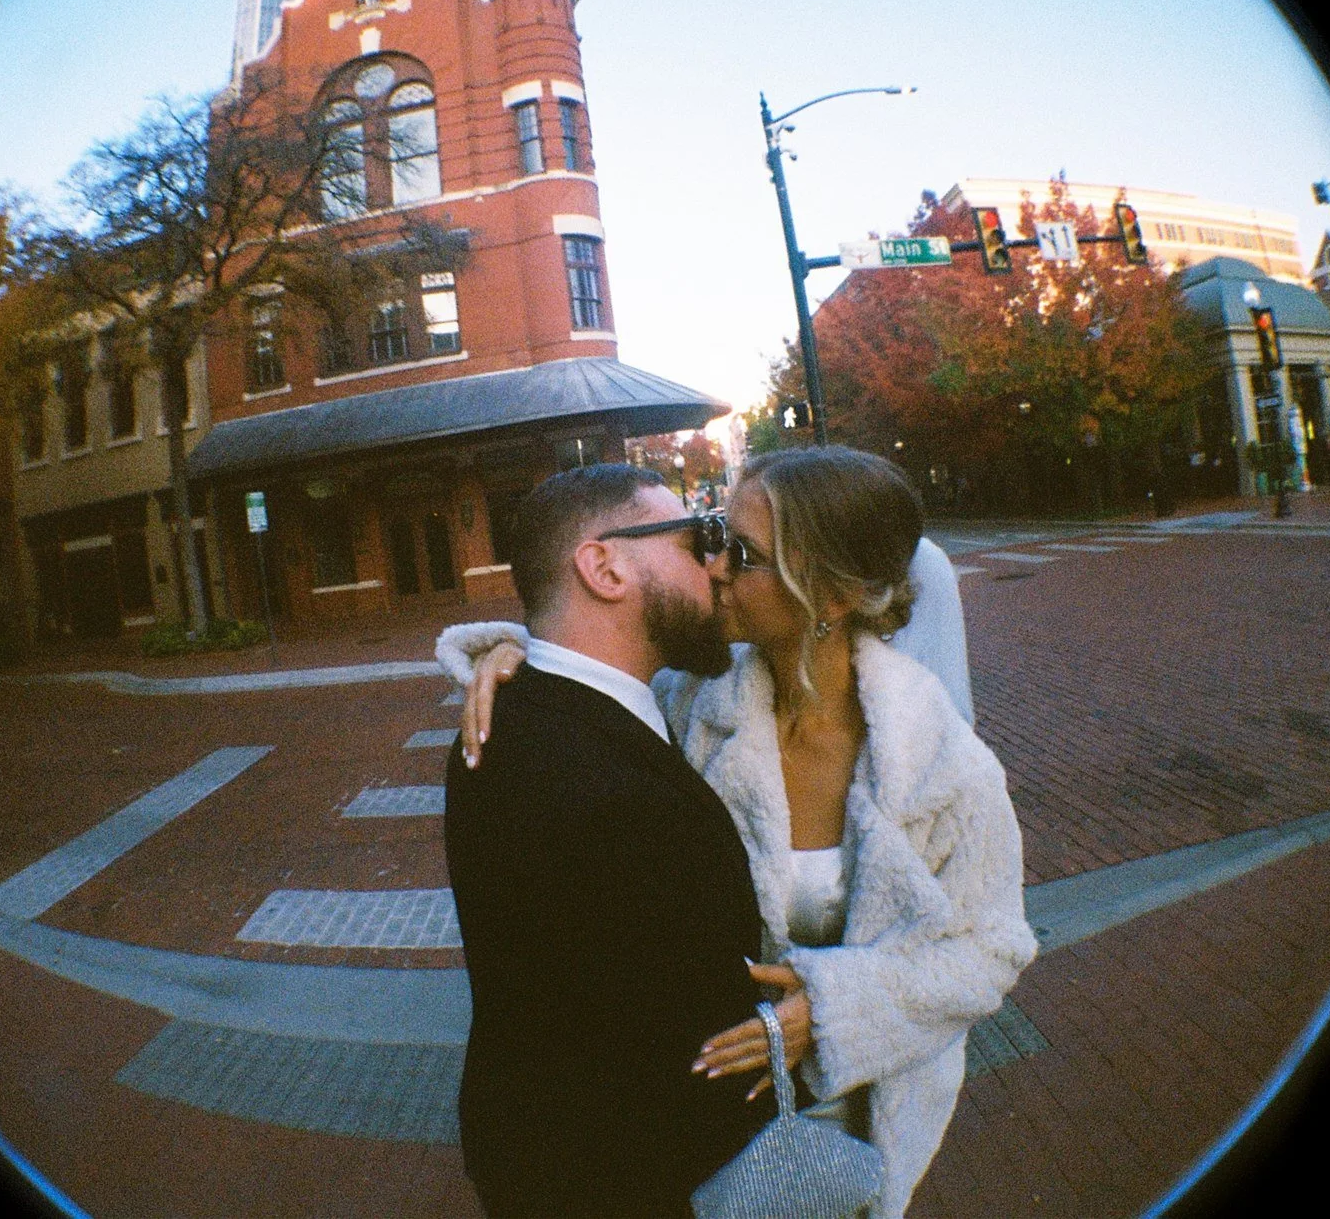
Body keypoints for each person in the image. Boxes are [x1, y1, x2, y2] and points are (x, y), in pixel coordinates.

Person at [443, 447, 1036, 1219]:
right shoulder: (699, 703)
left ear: (831, 592)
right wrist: (511, 657)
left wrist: (831, 1014)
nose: (715, 568)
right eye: (711, 541)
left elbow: (992, 948)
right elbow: (592, 679)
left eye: (739, 551)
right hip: (696, 1146)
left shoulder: (941, 768)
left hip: (851, 1116)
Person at [442, 464, 773, 1219]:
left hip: (543, 1161)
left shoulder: (513, 714)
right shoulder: (601, 787)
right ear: (603, 566)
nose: (718, 565)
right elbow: (690, 1052)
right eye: (698, 540)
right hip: (621, 1185)